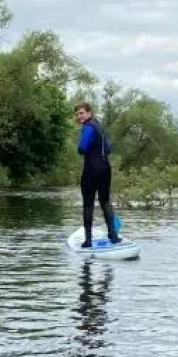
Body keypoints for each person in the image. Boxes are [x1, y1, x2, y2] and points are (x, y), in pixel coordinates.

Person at [74, 101, 121, 247]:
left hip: (91, 169)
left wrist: (82, 149)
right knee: (105, 201)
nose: (79, 116)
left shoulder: (88, 127)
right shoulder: (100, 126)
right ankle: (113, 236)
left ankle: (88, 240)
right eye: (77, 114)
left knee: (88, 204)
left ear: (89, 113)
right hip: (105, 168)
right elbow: (108, 148)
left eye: (81, 113)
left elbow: (82, 148)